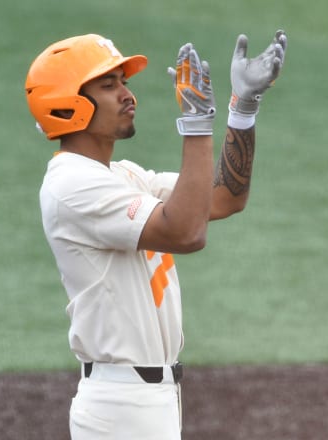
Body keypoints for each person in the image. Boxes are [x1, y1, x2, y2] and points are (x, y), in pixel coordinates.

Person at [24, 30, 287, 440]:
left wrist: (243, 108)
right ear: (67, 104)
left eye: (124, 82)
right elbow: (186, 233)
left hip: (149, 400)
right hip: (121, 408)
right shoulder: (72, 185)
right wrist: (197, 123)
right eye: (109, 85)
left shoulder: (120, 175)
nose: (128, 95)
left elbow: (222, 199)